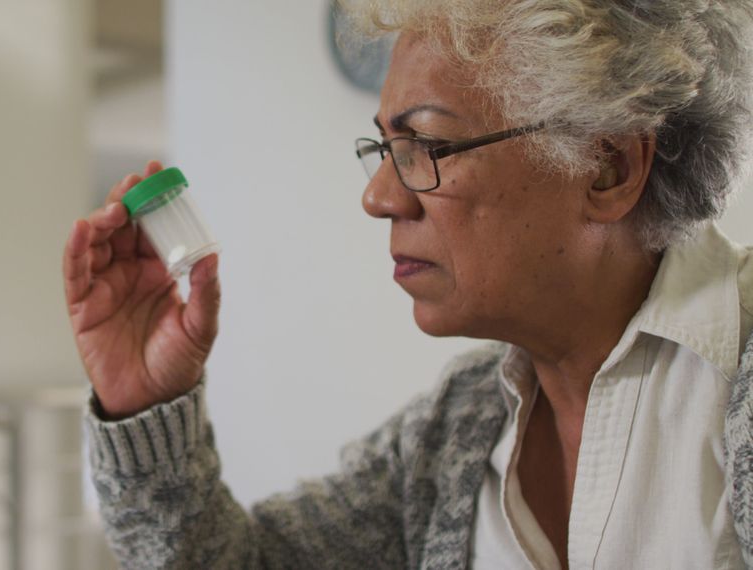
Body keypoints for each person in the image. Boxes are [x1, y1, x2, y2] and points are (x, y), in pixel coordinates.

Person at [63, 1, 753, 568]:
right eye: (384, 149)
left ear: (606, 167)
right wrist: (146, 404)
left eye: (427, 144)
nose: (380, 198)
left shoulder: (733, 378)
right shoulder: (456, 428)